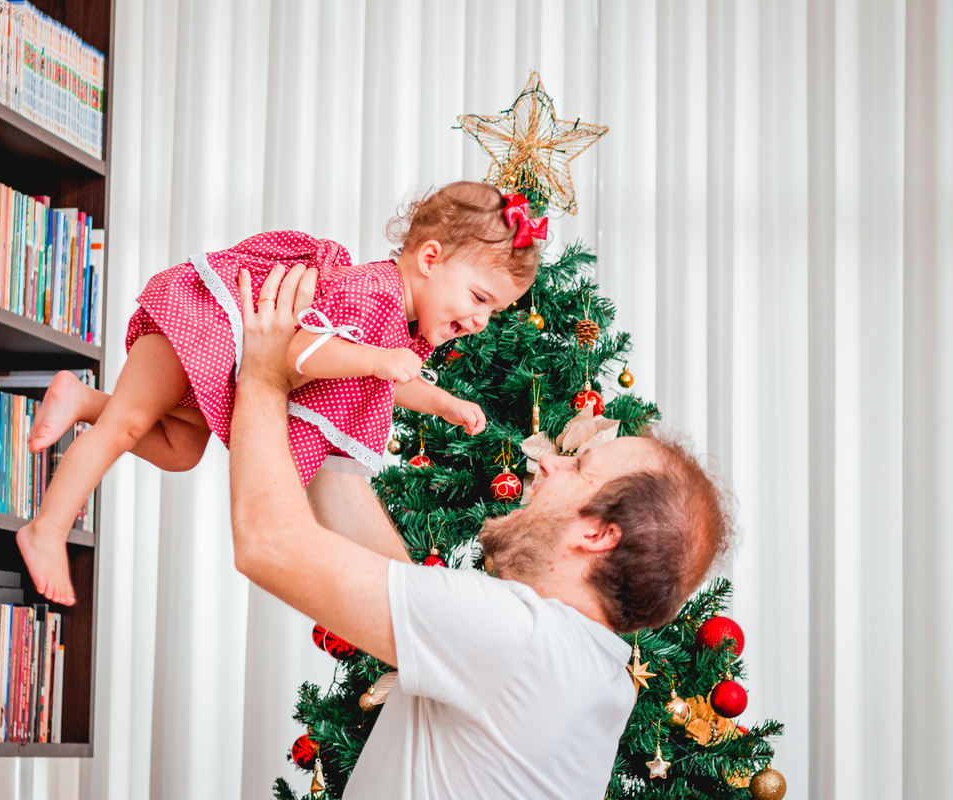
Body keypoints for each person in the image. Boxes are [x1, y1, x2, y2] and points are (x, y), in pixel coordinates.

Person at [230, 264, 733, 799]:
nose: (547, 464)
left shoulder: (523, 639)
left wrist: (263, 376)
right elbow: (397, 584)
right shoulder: (582, 663)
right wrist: (327, 409)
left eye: (579, 468)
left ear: (599, 536)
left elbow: (268, 544)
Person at [15, 182, 545, 607]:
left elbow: (392, 382)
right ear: (429, 258)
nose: (479, 320)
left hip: (221, 357)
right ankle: (48, 527)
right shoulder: (373, 291)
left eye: (493, 312)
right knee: (125, 427)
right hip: (203, 321)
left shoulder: (401, 325)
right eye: (478, 298)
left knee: (180, 451)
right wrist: (377, 360)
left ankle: (81, 400)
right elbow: (303, 353)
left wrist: (444, 403)